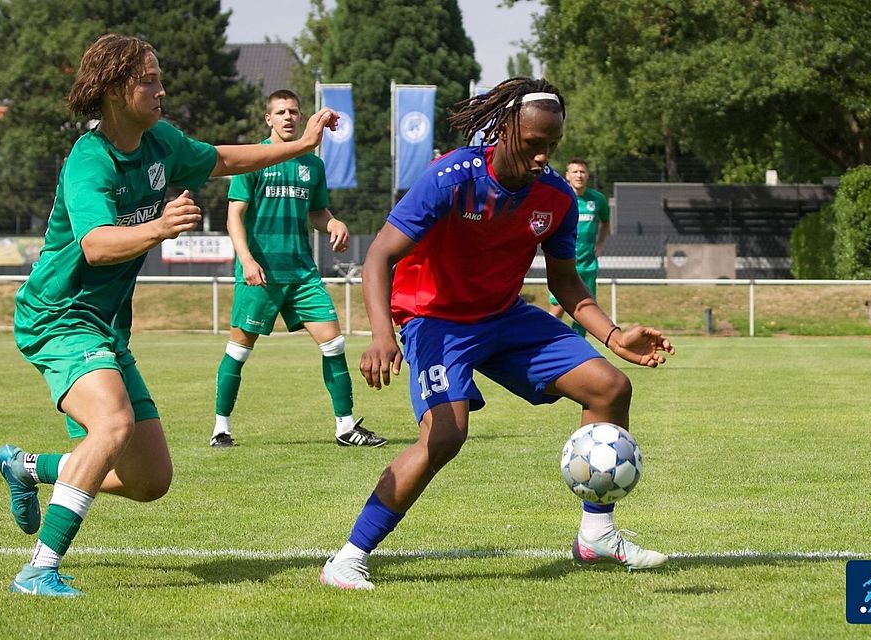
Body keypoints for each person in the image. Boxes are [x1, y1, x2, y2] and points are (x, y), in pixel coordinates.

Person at [0, 33, 338, 597]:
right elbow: (98, 245)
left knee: (150, 480)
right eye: (147, 79)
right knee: (113, 424)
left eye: (159, 76)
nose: (160, 88)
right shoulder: (90, 158)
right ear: (112, 91)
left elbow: (225, 157)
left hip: (104, 327)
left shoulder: (162, 142)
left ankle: (29, 467)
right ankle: (38, 569)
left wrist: (301, 146)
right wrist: (159, 226)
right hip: (57, 316)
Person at [320, 77, 675, 590]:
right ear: (506, 130)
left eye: (552, 146)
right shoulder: (450, 177)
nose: (543, 158)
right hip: (434, 319)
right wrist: (381, 333)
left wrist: (613, 335)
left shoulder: (555, 197)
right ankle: (348, 556)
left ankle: (596, 534)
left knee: (610, 387)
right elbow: (379, 256)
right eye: (534, 145)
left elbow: (566, 282)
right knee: (445, 436)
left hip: (503, 316)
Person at [209, 90, 386, 449]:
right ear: (268, 119)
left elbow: (317, 213)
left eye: (293, 111)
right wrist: (246, 259)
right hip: (260, 273)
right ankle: (220, 428)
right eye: (280, 112)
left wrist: (333, 223)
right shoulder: (253, 159)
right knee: (239, 351)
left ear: (301, 116)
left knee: (334, 344)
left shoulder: (313, 165)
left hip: (302, 273)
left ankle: (345, 426)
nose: (288, 117)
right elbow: (234, 216)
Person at [548, 158, 610, 337]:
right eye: (575, 172)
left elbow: (606, 222)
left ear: (588, 175)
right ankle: (542, 342)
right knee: (557, 307)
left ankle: (579, 353)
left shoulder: (597, 199)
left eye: (582, 172)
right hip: (563, 262)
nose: (579, 175)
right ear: (567, 175)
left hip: (587, 264)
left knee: (585, 309)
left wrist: (600, 245)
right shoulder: (561, 197)